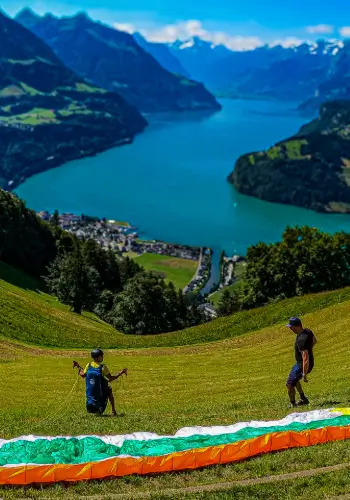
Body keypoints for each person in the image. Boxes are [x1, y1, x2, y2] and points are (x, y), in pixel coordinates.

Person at [73, 349, 127, 416]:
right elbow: (110, 378)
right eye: (101, 356)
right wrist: (121, 372)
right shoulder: (103, 367)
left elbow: (83, 375)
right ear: (96, 358)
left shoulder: (88, 365)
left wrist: (78, 367)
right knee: (109, 389)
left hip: (90, 393)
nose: (103, 357)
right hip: (101, 392)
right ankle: (113, 411)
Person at [286, 317, 317, 408]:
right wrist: (309, 349)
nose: (291, 329)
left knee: (289, 384)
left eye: (291, 327)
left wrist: (304, 373)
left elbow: (305, 357)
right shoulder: (307, 331)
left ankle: (293, 404)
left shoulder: (301, 340)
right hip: (302, 364)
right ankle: (303, 398)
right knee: (294, 380)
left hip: (302, 365)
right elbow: (314, 340)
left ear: (295, 327)